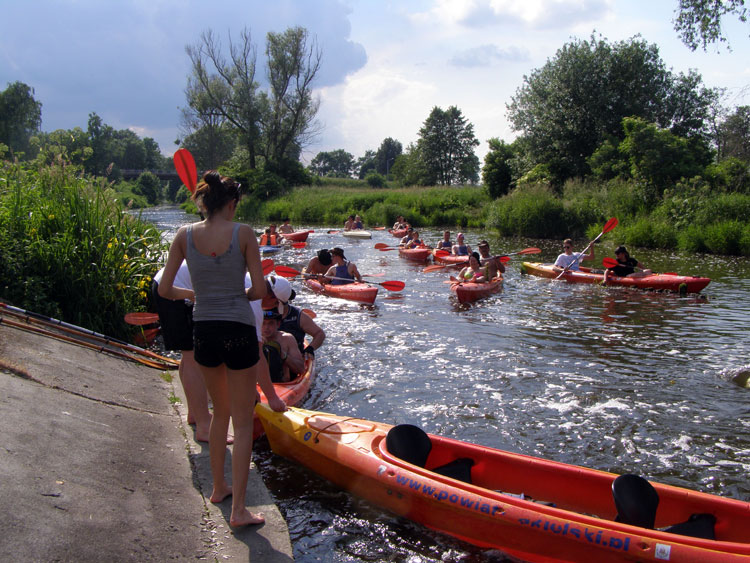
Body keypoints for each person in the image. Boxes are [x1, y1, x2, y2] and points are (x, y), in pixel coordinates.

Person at [158, 170, 285, 528]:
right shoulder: (243, 233)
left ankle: (218, 488)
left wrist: (195, 295)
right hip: (238, 330)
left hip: (204, 331)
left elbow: (165, 289)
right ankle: (239, 510)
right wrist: (238, 295)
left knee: (218, 413)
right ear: (231, 204)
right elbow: (259, 290)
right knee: (243, 423)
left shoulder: (183, 235)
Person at [152, 261, 212, 443]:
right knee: (193, 358)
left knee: (188, 356)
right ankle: (204, 427)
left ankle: (194, 414)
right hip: (172, 291)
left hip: (166, 286)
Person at [262, 274, 325, 359]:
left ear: (276, 300)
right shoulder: (258, 312)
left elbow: (319, 334)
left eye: (265, 295)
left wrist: (310, 349)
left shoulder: (298, 316)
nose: (261, 298)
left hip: (293, 361)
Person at [261, 308, 305, 382]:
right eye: (263, 323)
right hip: (258, 383)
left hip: (283, 384)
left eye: (270, 323)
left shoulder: (287, 339)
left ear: (278, 324)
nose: (266, 327)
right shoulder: (253, 339)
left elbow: (301, 369)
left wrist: (283, 355)